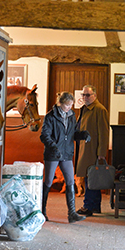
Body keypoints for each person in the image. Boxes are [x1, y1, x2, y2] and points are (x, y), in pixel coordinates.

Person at [40, 91, 91, 223]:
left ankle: (72, 214)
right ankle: (42, 211)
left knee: (70, 181)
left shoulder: (71, 116)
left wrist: (82, 135)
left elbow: (72, 134)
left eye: (71, 105)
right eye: (67, 105)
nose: (69, 108)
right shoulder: (50, 116)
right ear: (60, 103)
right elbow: (44, 135)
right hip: (53, 154)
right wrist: (53, 147)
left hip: (67, 153)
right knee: (49, 181)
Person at [75, 85, 109, 217]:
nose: (85, 97)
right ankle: (94, 206)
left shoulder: (99, 110)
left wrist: (101, 153)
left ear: (95, 95)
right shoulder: (84, 109)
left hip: (93, 150)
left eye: (87, 95)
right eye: (83, 95)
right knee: (91, 177)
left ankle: (88, 206)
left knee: (91, 178)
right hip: (84, 147)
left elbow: (104, 133)